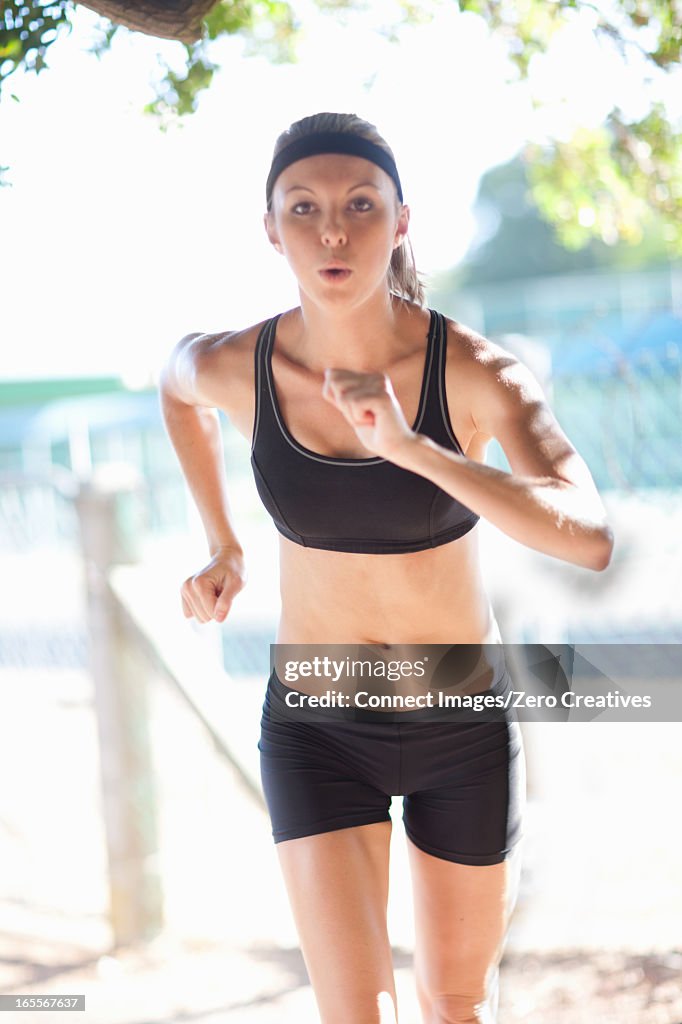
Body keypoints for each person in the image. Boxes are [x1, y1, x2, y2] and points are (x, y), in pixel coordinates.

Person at [159, 111, 614, 1024]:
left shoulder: (478, 372)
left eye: (361, 205)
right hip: (318, 720)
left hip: (458, 718)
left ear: (401, 220)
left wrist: (418, 452)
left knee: (454, 1006)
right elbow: (173, 385)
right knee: (354, 1012)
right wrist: (222, 541)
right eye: (304, 208)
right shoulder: (242, 364)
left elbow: (588, 535)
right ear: (271, 228)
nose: (333, 231)